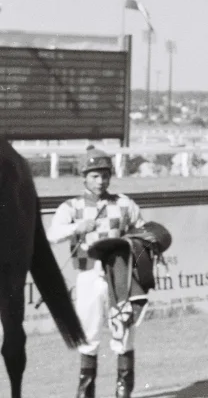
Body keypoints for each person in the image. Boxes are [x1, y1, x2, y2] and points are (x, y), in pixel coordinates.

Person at [47, 146, 145, 398]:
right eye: (94, 175)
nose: (100, 181)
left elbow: (143, 233)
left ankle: (123, 389)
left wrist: (132, 243)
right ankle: (85, 390)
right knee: (88, 332)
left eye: (104, 175)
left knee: (123, 329)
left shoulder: (124, 204)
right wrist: (78, 227)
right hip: (88, 274)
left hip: (120, 275)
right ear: (84, 177)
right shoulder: (71, 206)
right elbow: (52, 234)